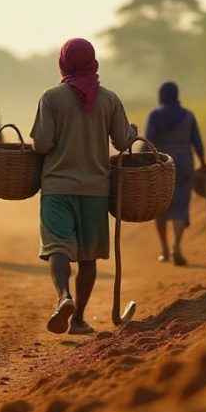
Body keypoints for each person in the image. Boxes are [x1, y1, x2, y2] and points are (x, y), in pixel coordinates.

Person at [30, 38, 136, 335]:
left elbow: (42, 144)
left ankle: (64, 296)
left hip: (57, 187)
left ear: (63, 63)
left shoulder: (51, 98)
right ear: (94, 62)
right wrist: (133, 132)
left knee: (58, 248)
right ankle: (78, 320)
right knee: (88, 256)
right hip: (95, 189)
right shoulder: (109, 99)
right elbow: (124, 142)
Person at [143, 81, 206, 266]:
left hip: (162, 165)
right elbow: (197, 142)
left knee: (160, 205)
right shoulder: (188, 115)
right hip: (185, 163)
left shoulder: (155, 115)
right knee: (180, 205)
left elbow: (148, 141)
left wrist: (137, 160)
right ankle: (177, 245)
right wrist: (203, 163)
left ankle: (164, 248)